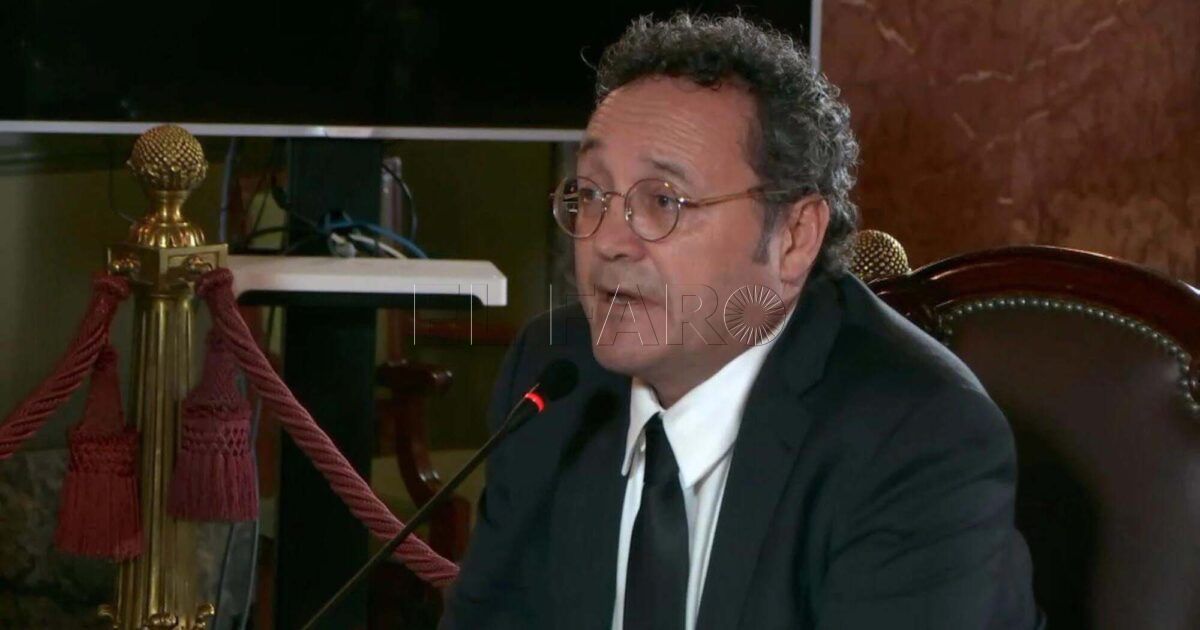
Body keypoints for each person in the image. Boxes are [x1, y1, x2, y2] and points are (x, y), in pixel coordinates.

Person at [443, 13, 1041, 630]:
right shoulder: (555, 378)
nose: (609, 240)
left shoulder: (916, 439)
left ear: (794, 237)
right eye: (592, 194)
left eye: (663, 201)